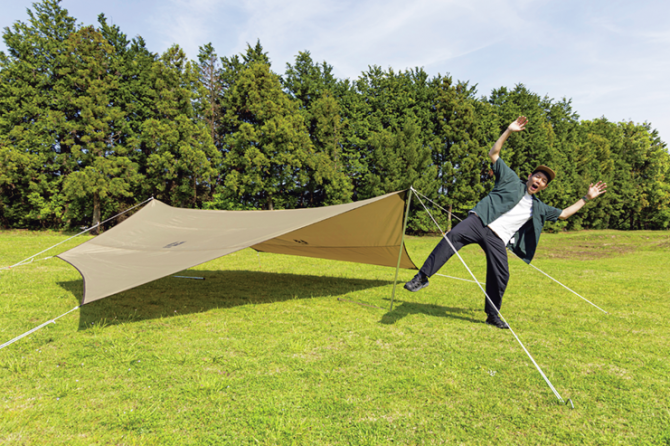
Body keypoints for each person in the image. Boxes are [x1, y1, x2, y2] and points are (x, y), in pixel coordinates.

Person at [404, 116, 607, 329]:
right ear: (530, 176)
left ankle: (492, 315)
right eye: (538, 176)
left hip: (498, 239)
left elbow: (564, 214)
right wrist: (508, 131)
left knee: (502, 275)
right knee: (452, 236)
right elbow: (493, 153)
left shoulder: (538, 207)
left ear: (544, 187)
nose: (539, 181)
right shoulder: (509, 178)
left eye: (544, 181)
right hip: (478, 222)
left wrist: (586, 198)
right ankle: (422, 276)